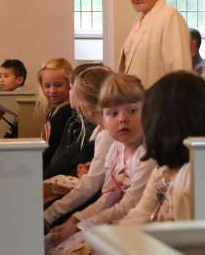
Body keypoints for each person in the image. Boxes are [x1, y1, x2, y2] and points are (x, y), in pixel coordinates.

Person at [45, 75, 157, 254]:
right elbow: (109, 196)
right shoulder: (116, 149)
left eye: (132, 111)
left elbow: (129, 204)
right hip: (112, 219)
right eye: (113, 113)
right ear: (103, 118)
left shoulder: (147, 153)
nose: (122, 119)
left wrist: (80, 226)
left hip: (139, 225)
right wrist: (74, 220)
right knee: (50, 243)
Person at [121, 71, 205, 223]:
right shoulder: (163, 172)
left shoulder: (191, 178)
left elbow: (185, 239)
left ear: (161, 124)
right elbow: (138, 216)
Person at [118, 0, 191, 88]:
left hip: (159, 101)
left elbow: (179, 68)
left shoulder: (170, 16)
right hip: (136, 99)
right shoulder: (139, 19)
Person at [43, 64, 110, 180]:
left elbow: (70, 157)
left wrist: (44, 177)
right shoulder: (74, 117)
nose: (69, 93)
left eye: (71, 87)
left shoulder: (95, 127)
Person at [37, 58, 74, 168]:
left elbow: (54, 148)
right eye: (47, 86)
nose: (52, 91)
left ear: (69, 84)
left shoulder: (66, 112)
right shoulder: (54, 110)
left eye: (58, 85)